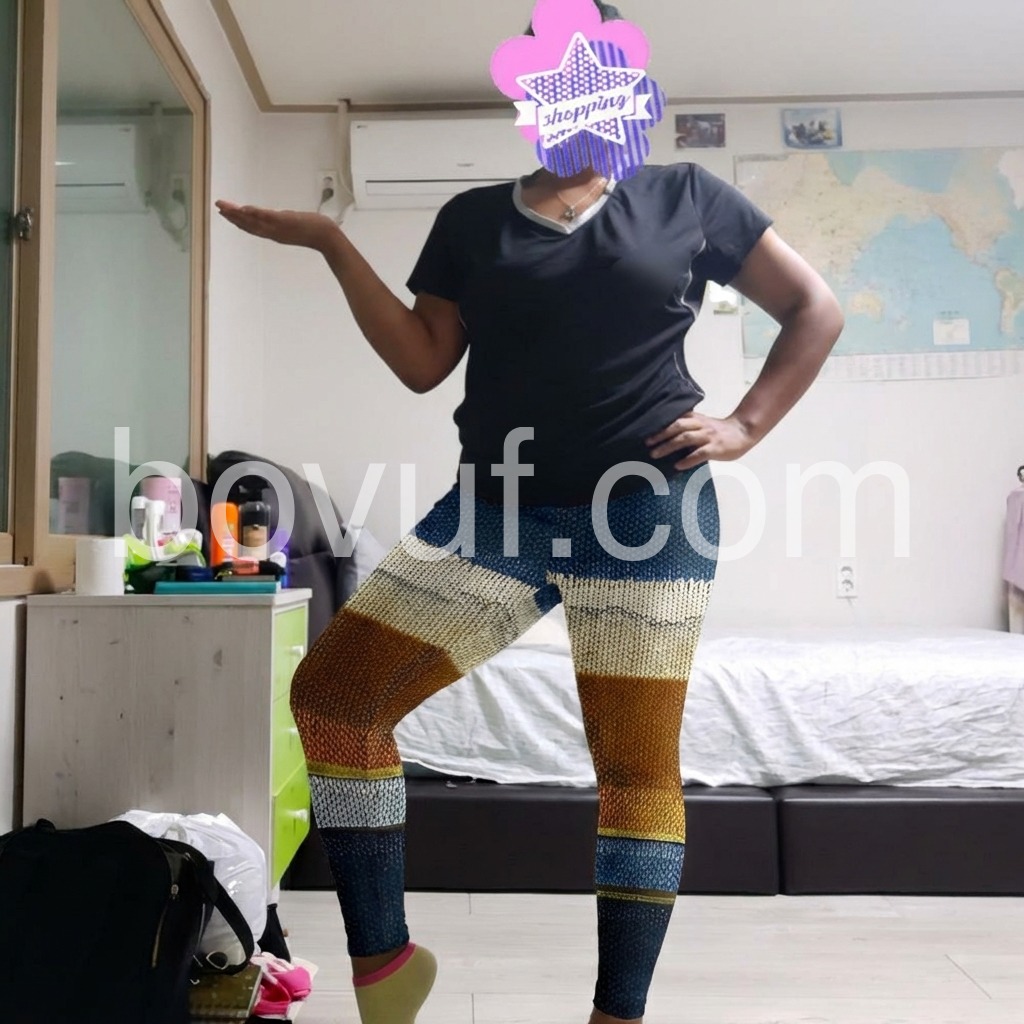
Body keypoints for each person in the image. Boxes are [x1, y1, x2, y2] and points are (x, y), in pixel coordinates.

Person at [216, 5, 844, 1022]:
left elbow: (815, 306)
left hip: (647, 515)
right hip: (494, 512)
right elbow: (423, 362)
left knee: (633, 771)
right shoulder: (472, 219)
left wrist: (745, 424)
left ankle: (614, 1014)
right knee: (335, 698)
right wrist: (332, 242)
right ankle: (385, 966)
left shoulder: (687, 195)